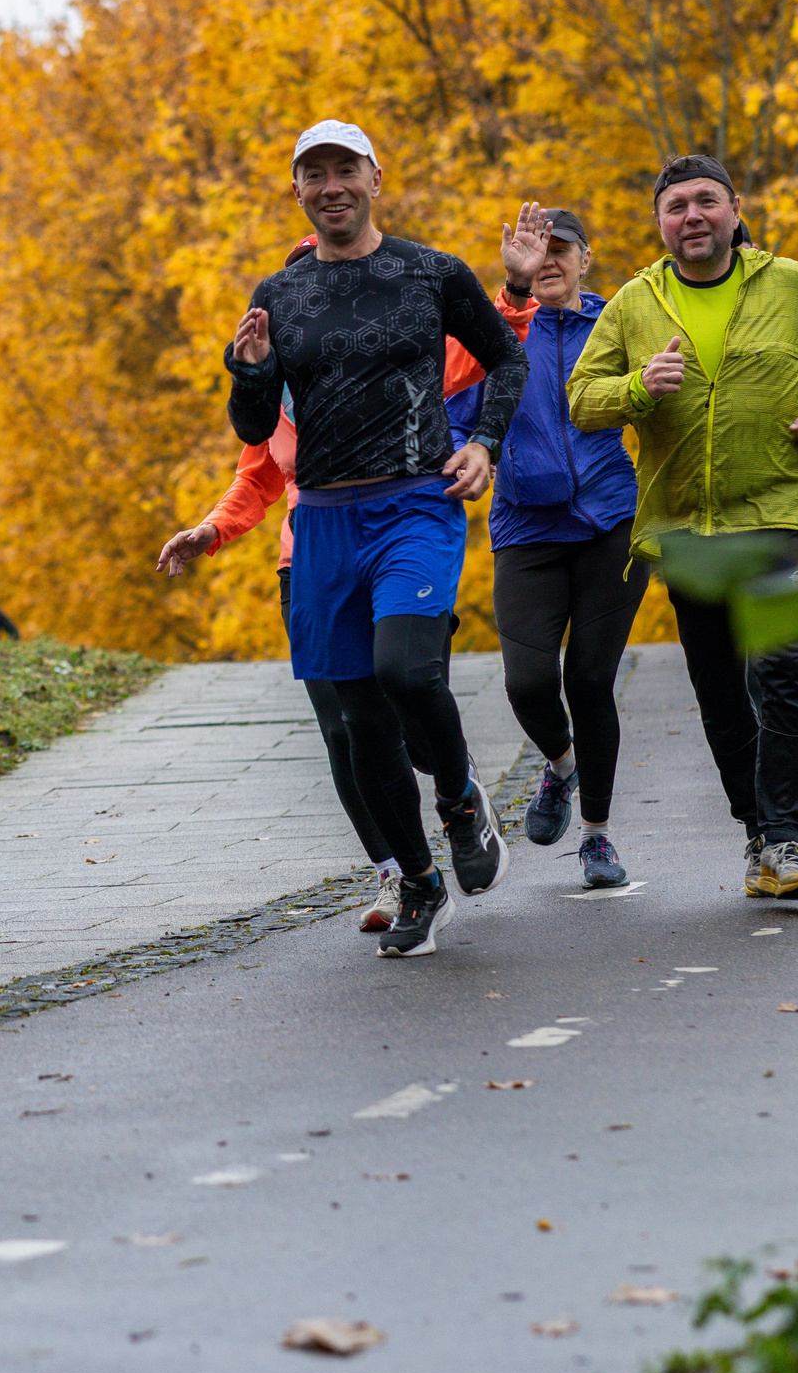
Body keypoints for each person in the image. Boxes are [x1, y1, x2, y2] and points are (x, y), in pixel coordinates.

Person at [161, 233, 531, 934]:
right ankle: (401, 875)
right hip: (309, 554)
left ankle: (459, 799)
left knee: (410, 700)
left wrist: (512, 297)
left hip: (399, 530)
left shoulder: (392, 337)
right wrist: (214, 529)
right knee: (347, 729)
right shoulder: (279, 383)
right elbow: (258, 472)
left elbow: (474, 354)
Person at [568, 155, 798, 900]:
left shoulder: (788, 283)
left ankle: (790, 838)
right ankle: (758, 836)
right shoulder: (636, 304)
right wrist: (641, 387)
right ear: (660, 223)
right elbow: (583, 398)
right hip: (684, 529)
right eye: (676, 206)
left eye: (707, 201)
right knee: (721, 693)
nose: (693, 216)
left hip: (777, 508)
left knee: (779, 669)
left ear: (735, 212)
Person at [447, 203, 649, 888]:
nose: (552, 260)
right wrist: (462, 456)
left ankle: (596, 837)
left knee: (590, 679)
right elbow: (457, 412)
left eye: (565, 249)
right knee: (528, 682)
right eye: (541, 249)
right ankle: (562, 767)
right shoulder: (499, 328)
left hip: (611, 524)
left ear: (587, 259)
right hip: (526, 527)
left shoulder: (616, 324)